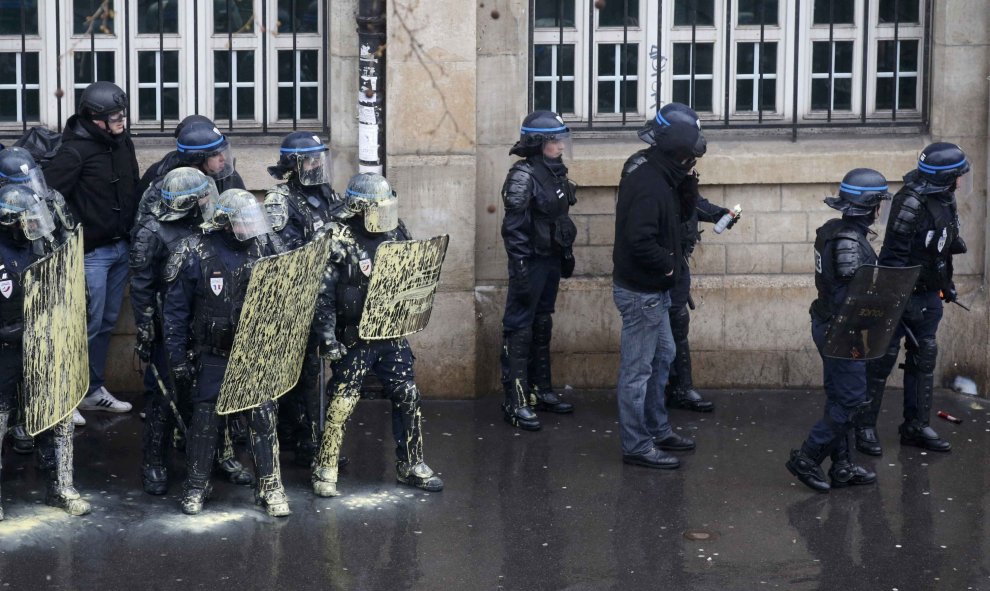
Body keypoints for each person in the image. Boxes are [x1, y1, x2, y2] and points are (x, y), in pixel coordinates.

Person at [310, 173, 443, 497]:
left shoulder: (395, 230)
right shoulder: (335, 238)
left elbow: (411, 275)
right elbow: (322, 293)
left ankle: (411, 463)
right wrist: (327, 336)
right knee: (342, 401)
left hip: (389, 331)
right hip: (354, 337)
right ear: (359, 208)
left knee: (408, 394)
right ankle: (325, 466)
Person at [162, 189, 289, 516]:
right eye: (241, 220)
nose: (248, 225)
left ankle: (270, 486)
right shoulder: (195, 251)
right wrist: (176, 359)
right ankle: (196, 484)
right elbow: (175, 312)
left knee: (262, 415)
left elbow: (287, 297)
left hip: (254, 352)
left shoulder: (267, 246)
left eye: (251, 218)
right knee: (205, 419)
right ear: (224, 222)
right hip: (213, 353)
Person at [130, 167, 253, 495]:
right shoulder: (152, 231)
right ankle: (154, 462)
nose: (206, 200)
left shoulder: (209, 226)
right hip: (169, 326)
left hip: (208, 326)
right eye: (200, 196)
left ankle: (221, 455)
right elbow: (141, 286)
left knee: (216, 396)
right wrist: (146, 328)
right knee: (166, 396)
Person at [622, 104, 740, 413]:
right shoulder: (643, 169)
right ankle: (651, 407)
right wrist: (667, 262)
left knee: (677, 325)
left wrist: (719, 214)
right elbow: (644, 228)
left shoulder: (676, 164)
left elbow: (689, 203)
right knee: (655, 342)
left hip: (676, 257)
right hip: (657, 265)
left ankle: (680, 389)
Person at [855, 143, 972, 455]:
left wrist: (945, 284)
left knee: (925, 356)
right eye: (957, 175)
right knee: (881, 360)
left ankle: (916, 426)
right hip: (898, 294)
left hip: (928, 293)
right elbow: (893, 257)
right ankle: (863, 427)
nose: (961, 181)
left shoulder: (944, 197)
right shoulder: (910, 202)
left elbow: (944, 247)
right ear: (946, 177)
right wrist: (898, 301)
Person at [611, 102, 703, 469]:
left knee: (663, 356)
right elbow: (639, 241)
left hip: (655, 291)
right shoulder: (648, 183)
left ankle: (657, 428)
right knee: (637, 371)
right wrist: (668, 268)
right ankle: (636, 445)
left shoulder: (664, 176)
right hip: (642, 294)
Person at [786, 168, 889, 492]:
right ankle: (807, 457)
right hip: (842, 329)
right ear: (870, 205)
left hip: (834, 325)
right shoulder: (847, 241)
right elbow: (849, 294)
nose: (880, 209)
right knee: (852, 401)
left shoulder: (835, 229)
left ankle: (842, 466)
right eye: (879, 203)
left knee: (840, 398)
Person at [44, 80, 138, 416]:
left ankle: (93, 389)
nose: (121, 122)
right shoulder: (74, 151)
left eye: (122, 115)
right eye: (114, 117)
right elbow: (49, 198)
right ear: (94, 118)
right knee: (85, 325)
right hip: (91, 254)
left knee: (109, 320)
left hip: (119, 250)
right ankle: (68, 396)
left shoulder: (122, 143)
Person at [0, 184, 91, 520]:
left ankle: (62, 487)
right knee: (2, 417)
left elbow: (66, 286)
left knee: (59, 415)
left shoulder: (46, 245)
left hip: (44, 343)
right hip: (5, 349)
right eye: (27, 219)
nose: (34, 224)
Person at [264, 132, 341, 465]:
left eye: (319, 158)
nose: (317, 164)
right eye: (311, 159)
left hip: (324, 294)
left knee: (313, 369)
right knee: (295, 371)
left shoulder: (325, 192)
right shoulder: (279, 199)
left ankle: (312, 437)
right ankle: (296, 436)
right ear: (294, 165)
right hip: (294, 295)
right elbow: (282, 251)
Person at [499, 110, 577, 432]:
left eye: (561, 139)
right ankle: (515, 401)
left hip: (549, 260)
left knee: (542, 323)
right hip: (529, 262)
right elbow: (513, 228)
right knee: (519, 328)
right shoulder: (523, 175)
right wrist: (519, 267)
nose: (560, 145)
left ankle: (540, 390)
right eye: (553, 140)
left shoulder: (556, 172)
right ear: (537, 143)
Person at [0, 146, 81, 435]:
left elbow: (67, 241)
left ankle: (32, 425)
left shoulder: (52, 199)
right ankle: (16, 424)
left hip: (43, 274)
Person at [135, 116, 246, 220]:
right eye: (215, 154)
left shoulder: (228, 175)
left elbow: (244, 213)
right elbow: (147, 223)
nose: (223, 158)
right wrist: (192, 207)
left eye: (223, 152)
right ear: (197, 158)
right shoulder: (160, 177)